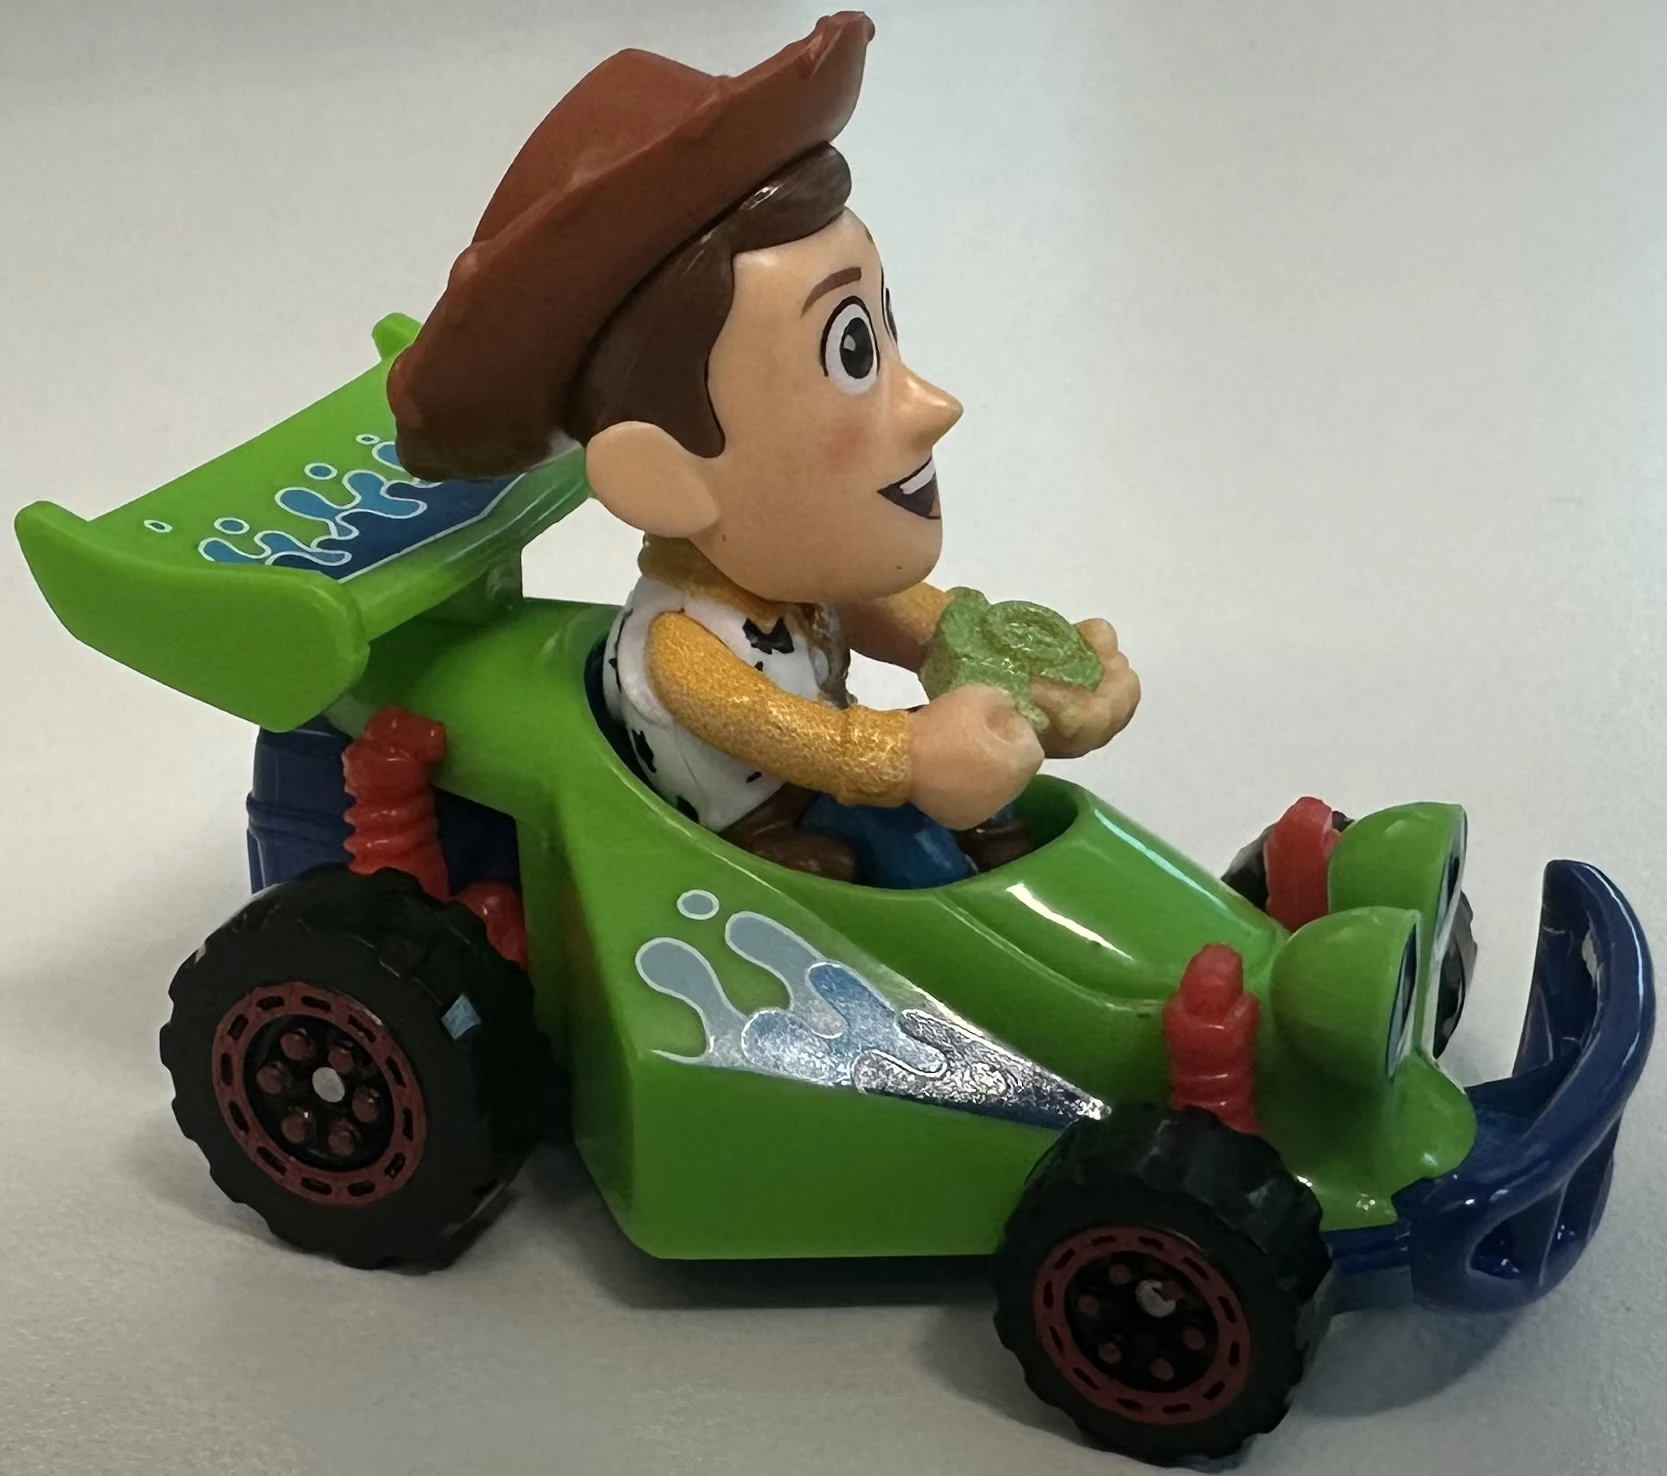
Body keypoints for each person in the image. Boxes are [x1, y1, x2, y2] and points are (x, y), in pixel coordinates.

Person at [388, 12, 1139, 885]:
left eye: (879, 332)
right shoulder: (684, 645)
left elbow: (924, 624)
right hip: (747, 839)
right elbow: (804, 738)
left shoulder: (806, 580)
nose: (934, 405)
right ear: (661, 478)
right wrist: (907, 756)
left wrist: (1028, 670)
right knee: (874, 864)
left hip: (822, 797)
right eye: (849, 355)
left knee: (979, 824)